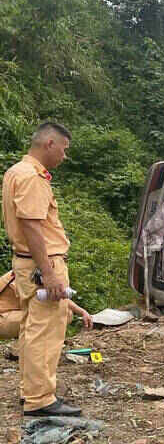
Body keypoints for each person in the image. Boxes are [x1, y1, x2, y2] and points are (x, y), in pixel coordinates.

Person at [2, 122, 81, 417]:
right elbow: (32, 226)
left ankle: (31, 391)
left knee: (31, 328)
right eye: (64, 149)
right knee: (46, 331)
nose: (64, 156)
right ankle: (40, 399)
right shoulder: (32, 177)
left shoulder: (16, 171)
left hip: (26, 263)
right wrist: (48, 272)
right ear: (50, 143)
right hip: (41, 263)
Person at [0, 270, 92, 340]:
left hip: (12, 314)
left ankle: (21, 349)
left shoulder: (29, 269)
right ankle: (34, 349)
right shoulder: (27, 273)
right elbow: (47, 297)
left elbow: (60, 299)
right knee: (55, 313)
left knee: (64, 312)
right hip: (3, 318)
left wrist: (82, 312)